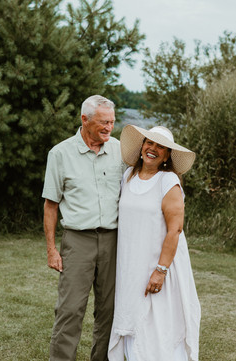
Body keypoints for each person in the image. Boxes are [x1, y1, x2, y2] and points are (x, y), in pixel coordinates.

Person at [42, 95, 124, 361]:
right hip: (77, 241)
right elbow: (51, 205)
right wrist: (52, 249)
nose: (109, 128)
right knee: (70, 310)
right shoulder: (60, 153)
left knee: (109, 310)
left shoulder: (120, 151)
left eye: (111, 122)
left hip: (113, 240)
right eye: (103, 123)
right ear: (84, 120)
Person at [108, 125, 201, 361]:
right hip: (131, 264)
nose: (153, 149)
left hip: (159, 266)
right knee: (134, 319)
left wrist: (160, 271)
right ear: (142, 146)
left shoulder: (168, 181)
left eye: (161, 146)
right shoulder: (128, 176)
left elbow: (175, 230)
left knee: (157, 325)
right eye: (150, 142)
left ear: (167, 155)